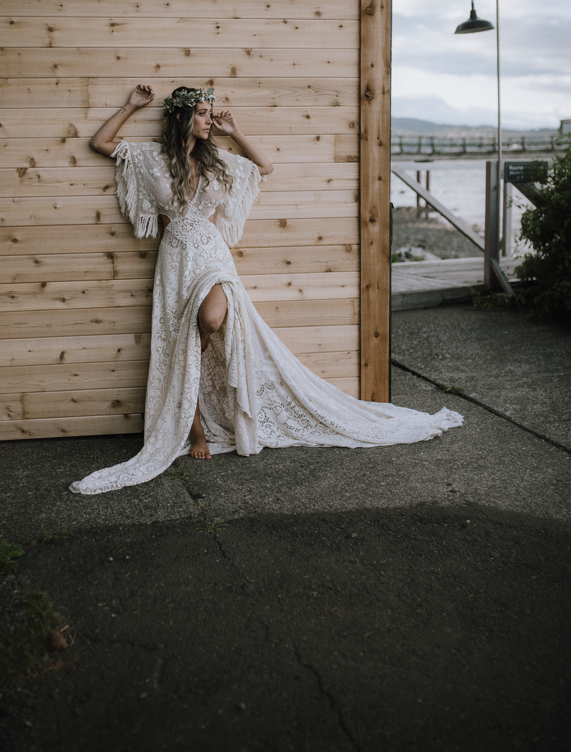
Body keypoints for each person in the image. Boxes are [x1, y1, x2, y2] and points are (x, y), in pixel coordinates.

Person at [70, 85, 462, 495]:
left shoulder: (218, 159)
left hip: (212, 257)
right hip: (174, 263)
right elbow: (101, 142)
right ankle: (196, 427)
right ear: (183, 117)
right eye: (203, 113)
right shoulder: (153, 158)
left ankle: (196, 408)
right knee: (179, 344)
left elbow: (264, 166)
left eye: (210, 113)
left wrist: (235, 131)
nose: (208, 120)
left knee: (210, 319)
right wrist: (131, 106)